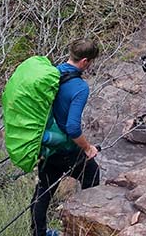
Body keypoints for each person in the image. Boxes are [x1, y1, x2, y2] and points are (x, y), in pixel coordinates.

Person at [31, 39, 102, 236]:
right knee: (91, 173)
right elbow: (72, 128)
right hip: (65, 148)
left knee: (43, 189)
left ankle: (38, 233)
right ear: (85, 61)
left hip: (46, 144)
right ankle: (82, 226)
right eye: (91, 62)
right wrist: (88, 148)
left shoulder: (53, 74)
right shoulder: (79, 87)